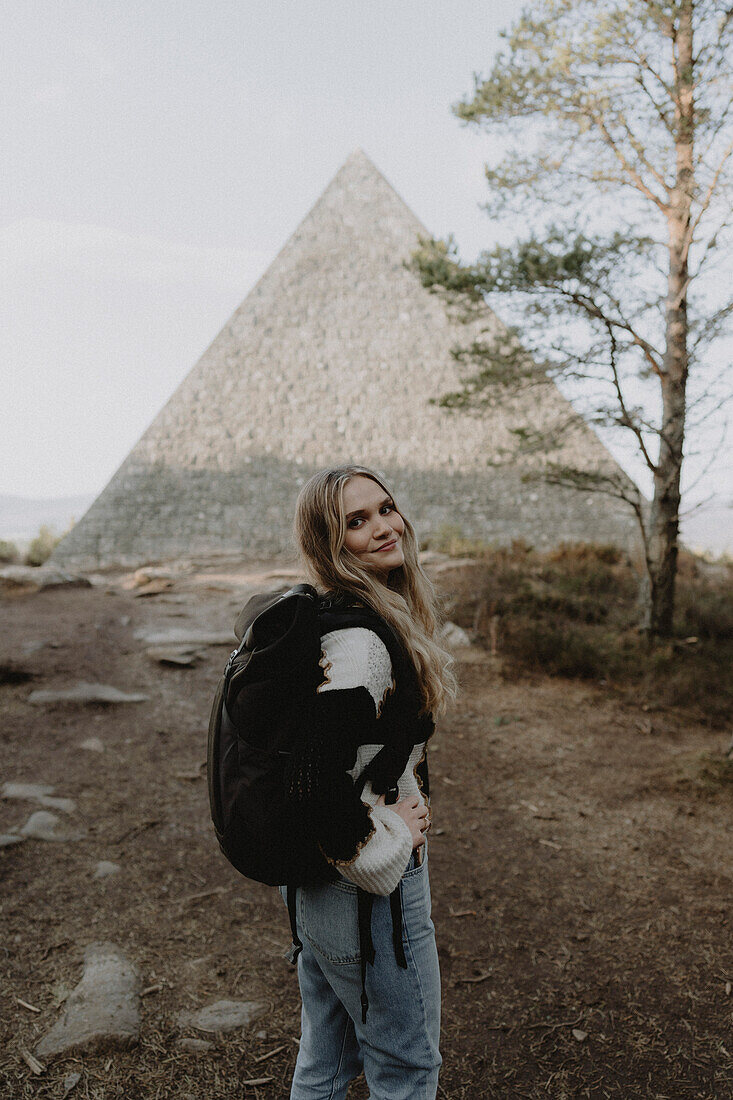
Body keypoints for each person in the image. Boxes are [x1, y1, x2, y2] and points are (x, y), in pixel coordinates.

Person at [282, 464, 457, 1100]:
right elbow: (312, 784)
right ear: (330, 544)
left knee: (325, 1063)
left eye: (385, 508)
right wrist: (386, 843)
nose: (384, 527)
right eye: (357, 521)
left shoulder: (345, 621)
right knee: (407, 1070)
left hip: (318, 892)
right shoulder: (361, 644)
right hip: (365, 897)